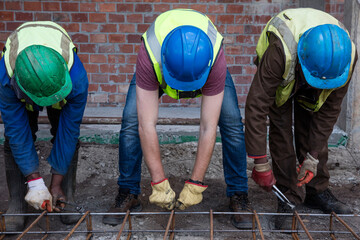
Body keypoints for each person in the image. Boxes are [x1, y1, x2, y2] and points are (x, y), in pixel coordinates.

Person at [103, 9, 251, 229]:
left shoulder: (214, 57)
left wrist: (195, 183)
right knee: (132, 120)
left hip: (203, 67)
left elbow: (208, 127)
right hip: (159, 67)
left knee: (230, 122)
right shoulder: (151, 52)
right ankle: (128, 191)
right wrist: (159, 181)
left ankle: (239, 194)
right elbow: (146, 125)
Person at [245, 8, 357, 230]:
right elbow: (256, 106)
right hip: (281, 73)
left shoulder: (346, 57)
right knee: (281, 130)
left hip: (317, 67)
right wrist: (260, 161)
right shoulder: (279, 52)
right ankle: (288, 197)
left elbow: (329, 112)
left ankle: (317, 190)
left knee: (313, 125)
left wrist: (312, 157)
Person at [0, 21, 88, 231]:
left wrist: (54, 182)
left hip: (59, 85)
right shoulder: (6, 78)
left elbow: (68, 133)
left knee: (65, 135)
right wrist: (35, 182)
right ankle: (17, 204)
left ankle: (63, 193)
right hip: (22, 87)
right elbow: (17, 130)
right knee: (16, 138)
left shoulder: (77, 79)